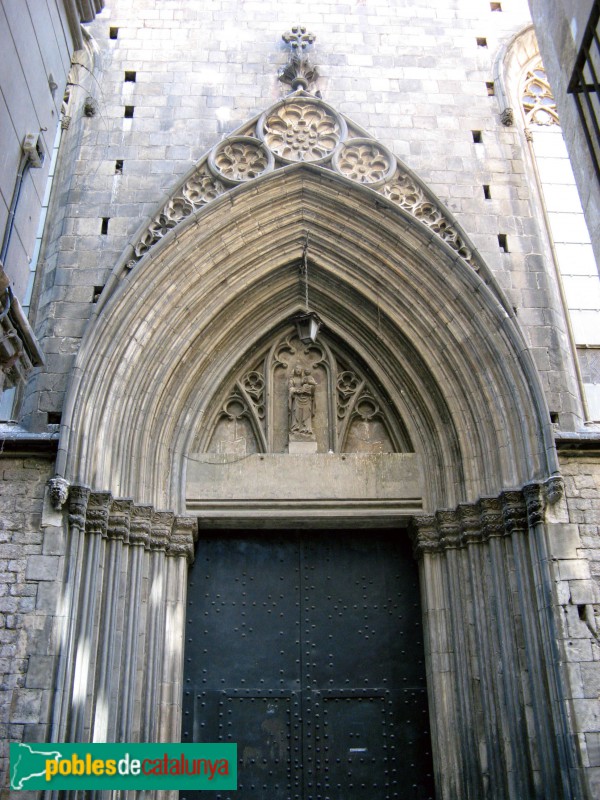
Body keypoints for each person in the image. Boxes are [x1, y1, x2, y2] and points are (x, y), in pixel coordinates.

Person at [289, 365, 317, 435]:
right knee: (296, 413)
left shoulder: (305, 379)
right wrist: (298, 391)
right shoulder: (292, 380)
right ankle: (296, 428)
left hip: (306, 399)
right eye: (297, 368)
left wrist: (309, 388)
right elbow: (290, 389)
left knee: (307, 414)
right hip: (297, 399)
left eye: (300, 369)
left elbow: (312, 387)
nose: (298, 370)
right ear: (294, 370)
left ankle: (306, 429)